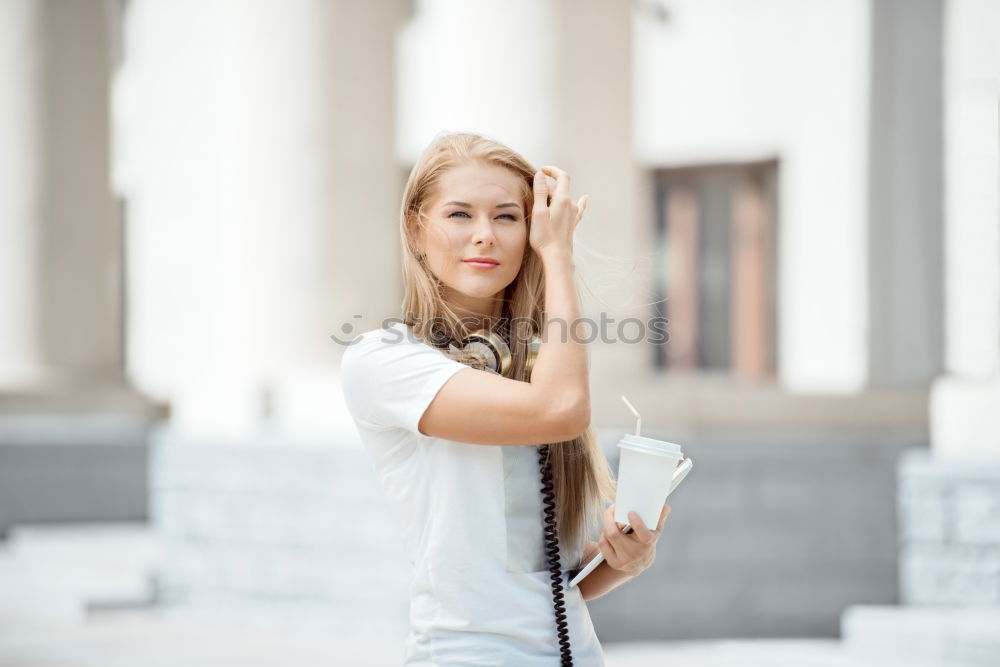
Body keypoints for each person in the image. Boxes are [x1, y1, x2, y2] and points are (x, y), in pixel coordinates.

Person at [339, 132, 671, 666]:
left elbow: (538, 579)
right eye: (459, 215)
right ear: (416, 229)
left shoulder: (537, 365)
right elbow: (559, 412)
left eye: (507, 217)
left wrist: (624, 558)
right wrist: (559, 254)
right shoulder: (383, 360)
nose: (484, 236)